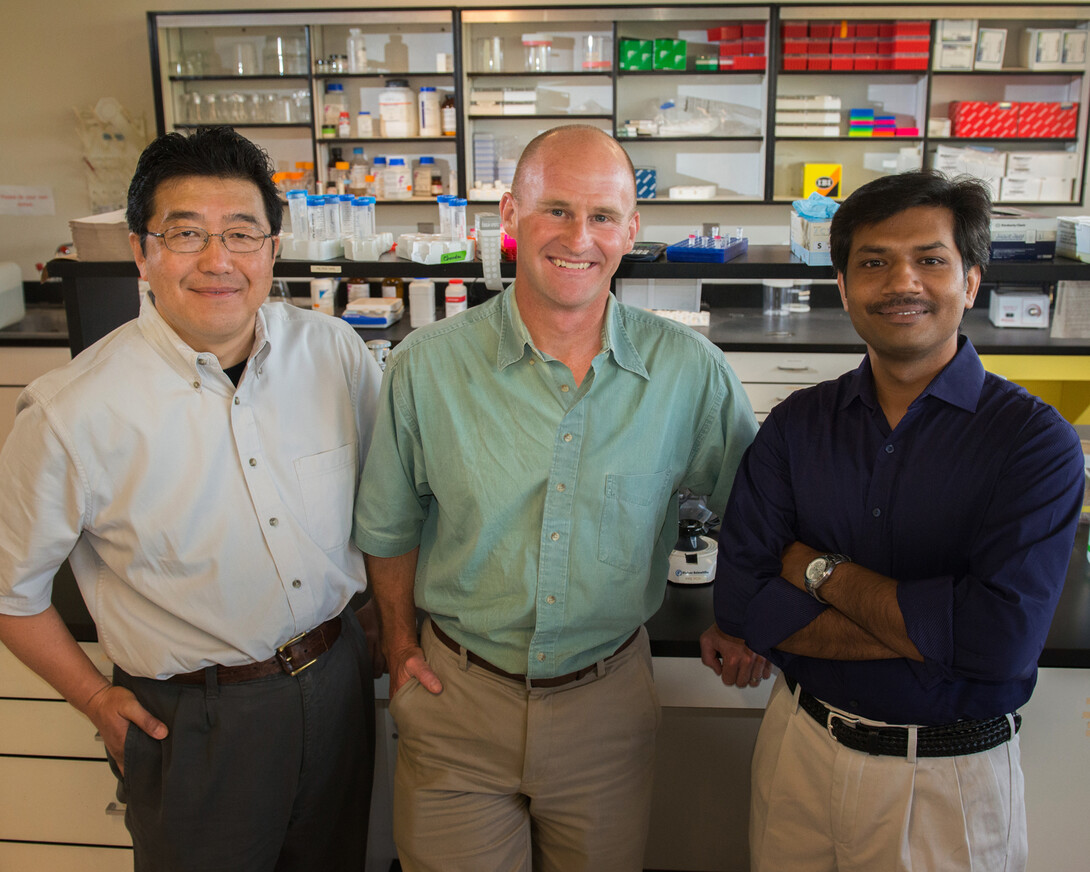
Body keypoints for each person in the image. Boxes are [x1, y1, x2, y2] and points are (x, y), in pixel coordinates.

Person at [353, 124, 757, 871]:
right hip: (457, 699)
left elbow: (754, 513)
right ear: (511, 216)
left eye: (602, 216)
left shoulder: (690, 373)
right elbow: (390, 524)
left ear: (631, 230)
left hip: (607, 705)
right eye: (557, 210)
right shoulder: (426, 367)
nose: (579, 238)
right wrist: (402, 643)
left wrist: (741, 618)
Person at [0, 126, 384, 872]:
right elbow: (11, 593)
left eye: (241, 233)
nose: (218, 260)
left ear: (272, 248)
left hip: (339, 685)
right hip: (194, 719)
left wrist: (379, 625)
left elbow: (388, 500)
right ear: (141, 252)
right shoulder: (70, 410)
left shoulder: (333, 352)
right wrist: (93, 699)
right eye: (185, 234)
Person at [700, 169, 1086, 872]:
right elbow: (744, 605)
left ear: (970, 282)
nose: (902, 282)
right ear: (844, 288)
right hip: (800, 753)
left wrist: (817, 570)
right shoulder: (796, 425)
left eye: (930, 260)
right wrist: (935, 629)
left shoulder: (1034, 443)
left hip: (948, 783)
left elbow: (998, 643)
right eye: (874, 263)